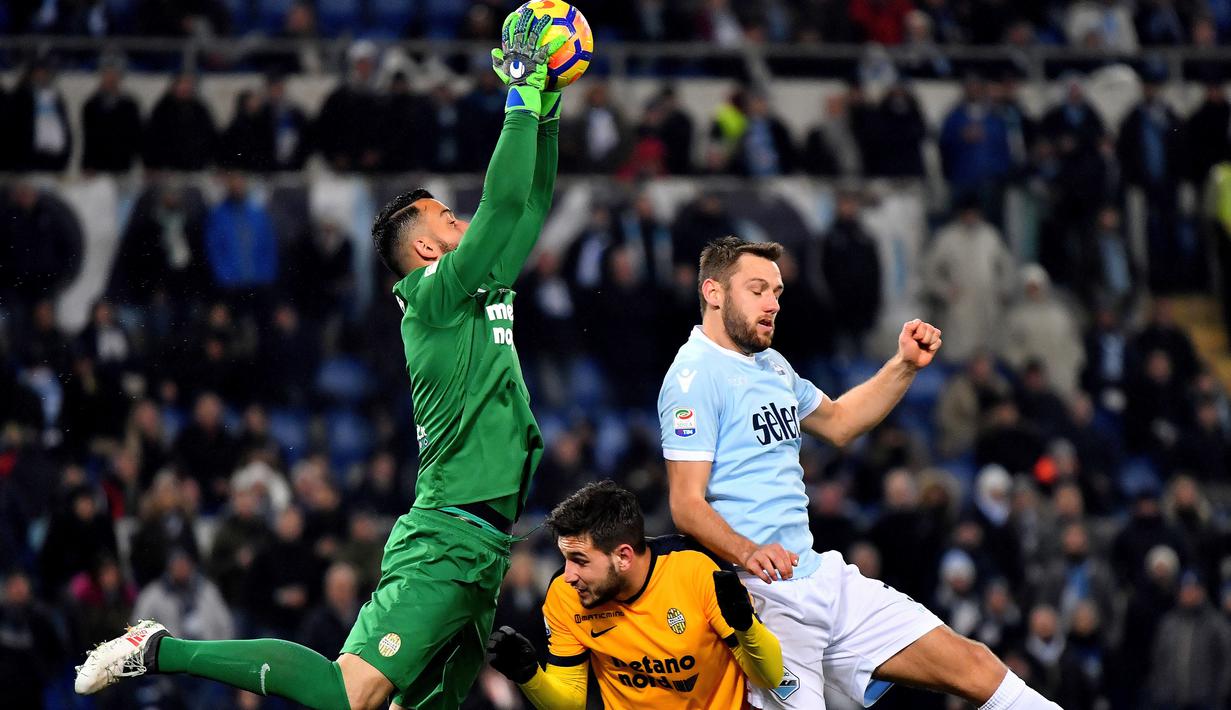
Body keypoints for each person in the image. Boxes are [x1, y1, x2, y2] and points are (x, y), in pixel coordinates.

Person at [76, 9, 568, 709]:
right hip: (447, 539)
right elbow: (505, 198)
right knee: (347, 694)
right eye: (448, 219)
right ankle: (157, 649)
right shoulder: (434, 297)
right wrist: (522, 92)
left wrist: (547, 106)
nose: (464, 222)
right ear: (426, 249)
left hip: (484, 545)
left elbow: (532, 203)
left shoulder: (477, 286)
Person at [658, 236, 1062, 709]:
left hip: (818, 576)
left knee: (975, 665)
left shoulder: (771, 365)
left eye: (777, 292)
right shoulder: (692, 378)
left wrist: (904, 366)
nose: (772, 304)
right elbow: (686, 505)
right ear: (713, 292)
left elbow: (841, 422)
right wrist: (748, 552)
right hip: (760, 602)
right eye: (757, 290)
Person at [485, 480, 784, 708]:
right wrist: (529, 676)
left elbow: (769, 676)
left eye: (580, 561)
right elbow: (570, 702)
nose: (568, 575)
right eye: (566, 559)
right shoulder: (565, 595)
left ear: (623, 557)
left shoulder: (696, 571)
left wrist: (746, 627)